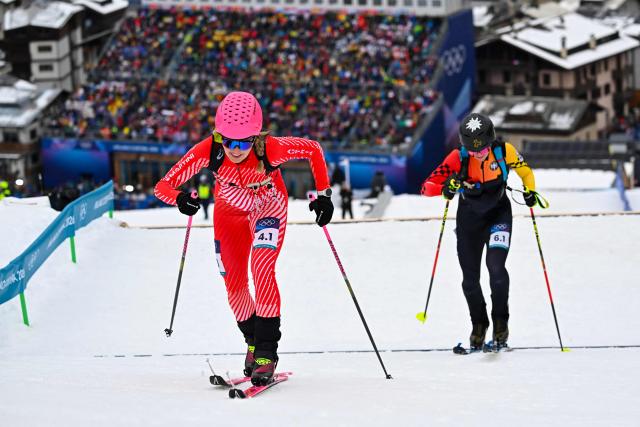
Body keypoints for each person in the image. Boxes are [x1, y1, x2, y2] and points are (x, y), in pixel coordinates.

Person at [154, 91, 334, 385]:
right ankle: (252, 342)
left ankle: (266, 352)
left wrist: (324, 195)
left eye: (244, 143)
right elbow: (162, 186)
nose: (235, 149)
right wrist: (179, 199)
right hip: (229, 216)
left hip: (268, 208)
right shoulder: (208, 150)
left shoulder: (270, 149)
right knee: (234, 286)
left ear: (257, 137)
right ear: (218, 136)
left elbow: (312, 149)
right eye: (228, 142)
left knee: (261, 270)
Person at [421, 113, 542, 351]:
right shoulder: (458, 157)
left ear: (491, 140)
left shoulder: (503, 151)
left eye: (483, 148)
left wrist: (530, 192)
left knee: (496, 268)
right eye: (473, 150)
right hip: (469, 222)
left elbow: (526, 172)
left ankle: (500, 325)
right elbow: (426, 187)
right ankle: (479, 325)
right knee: (469, 280)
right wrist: (446, 189)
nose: (479, 154)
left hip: (499, 215)